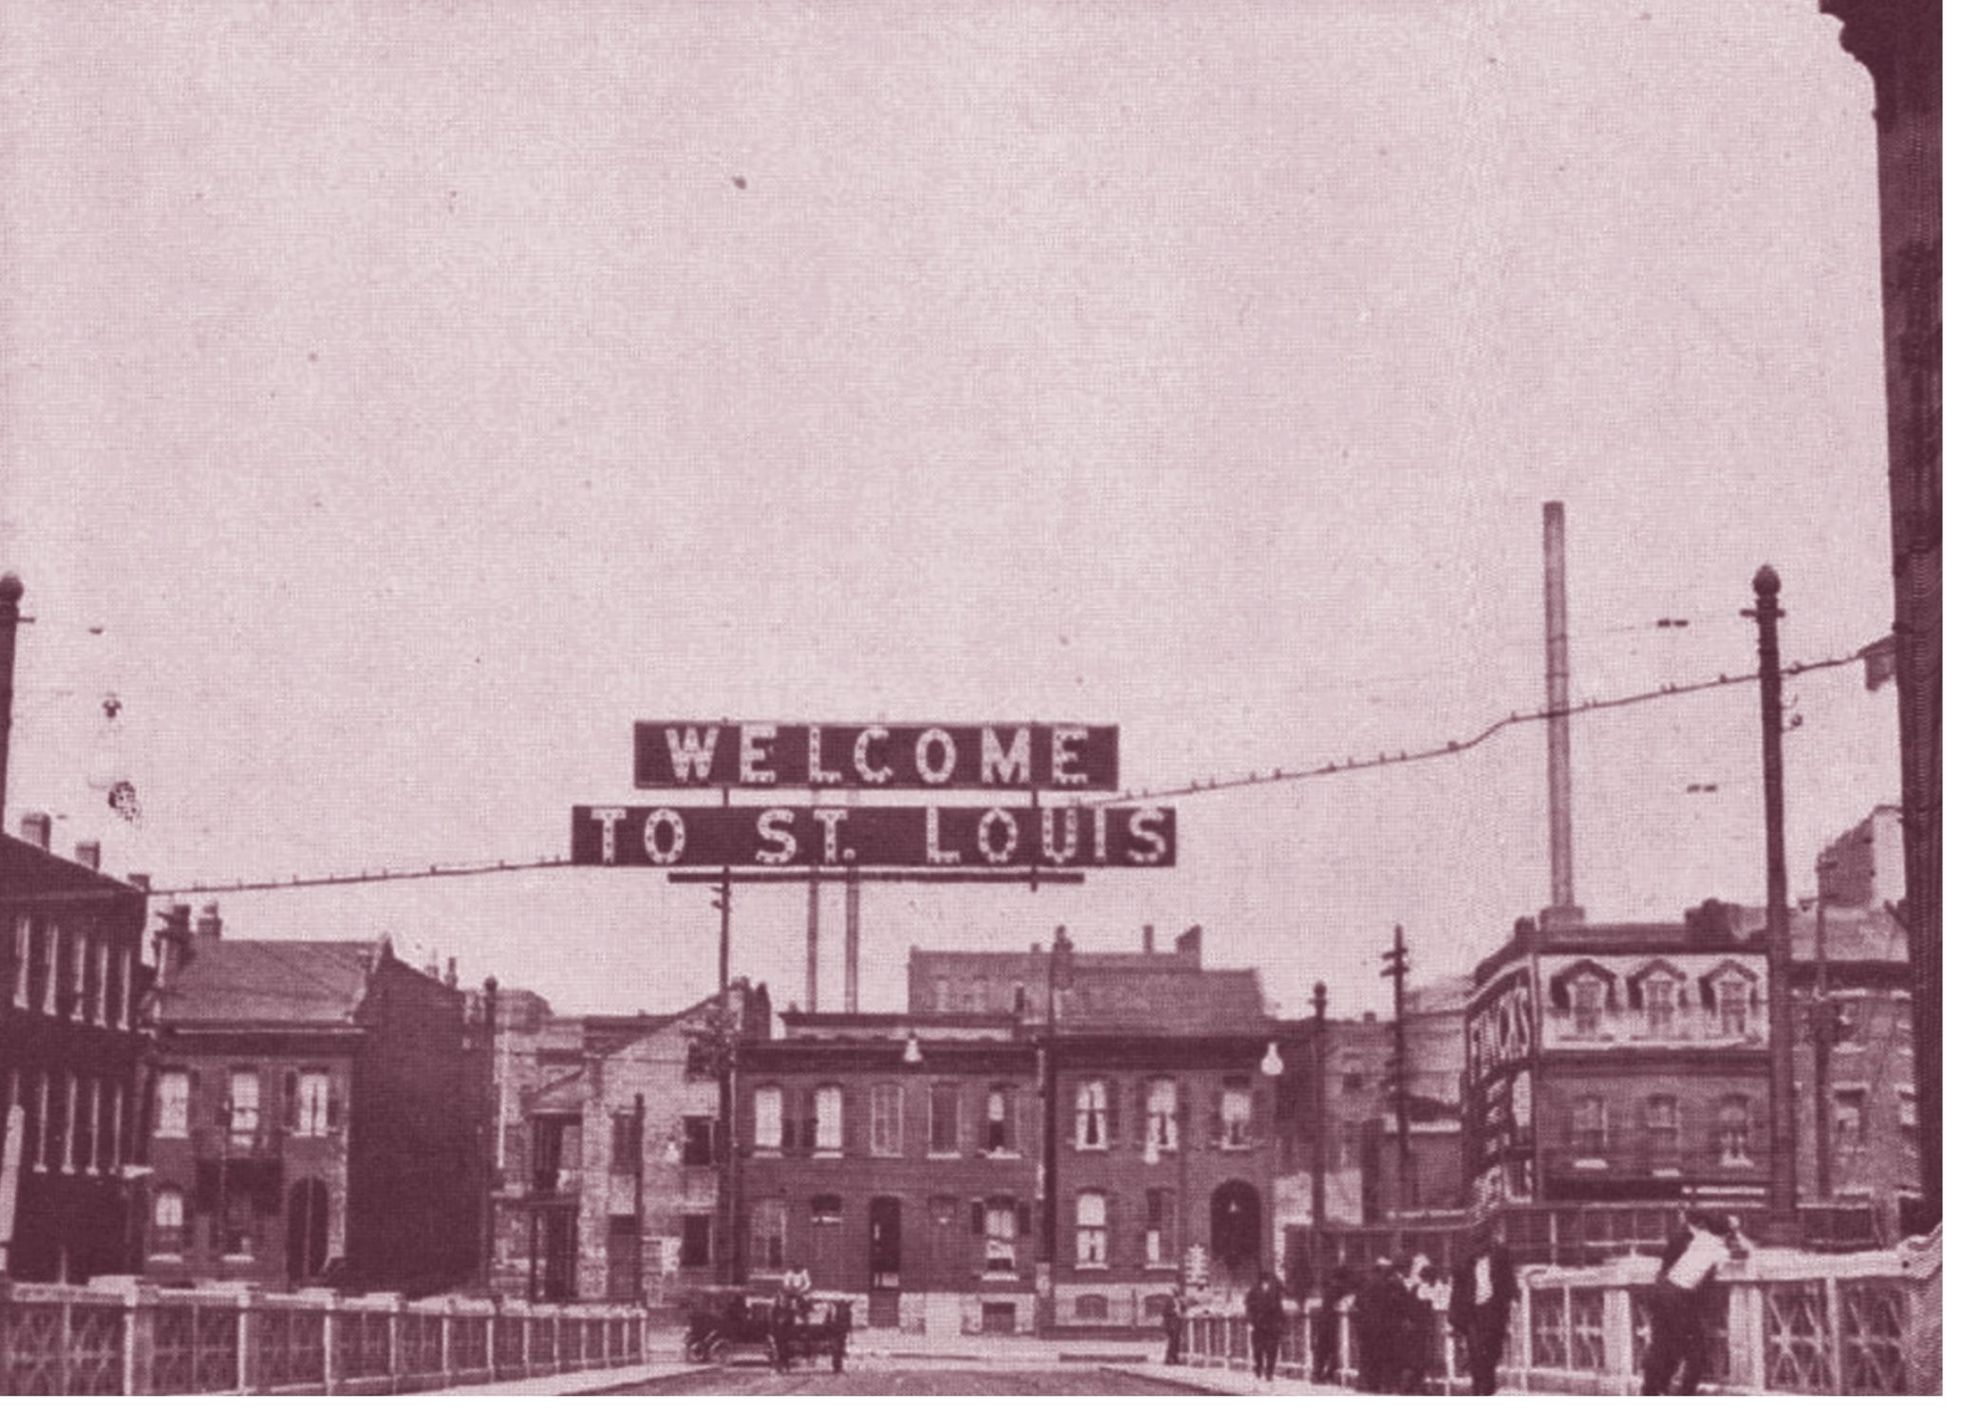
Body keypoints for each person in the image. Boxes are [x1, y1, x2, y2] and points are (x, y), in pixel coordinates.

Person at [1642, 1211, 1750, 1395]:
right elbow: (1747, 1253)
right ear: (1727, 1233)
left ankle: (1650, 1391)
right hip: (1679, 1297)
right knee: (1696, 1351)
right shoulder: (1720, 1252)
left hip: (1663, 1289)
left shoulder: (1700, 1238)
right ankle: (1685, 1394)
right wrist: (1738, 1233)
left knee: (1661, 1344)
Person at [1450, 1226, 1519, 1396]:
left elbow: (1508, 1277)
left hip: (1493, 1312)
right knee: (1476, 1354)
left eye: (1482, 1243)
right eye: (1476, 1243)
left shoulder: (1499, 1256)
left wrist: (1514, 1296)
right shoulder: (1466, 1262)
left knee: (1491, 1354)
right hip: (1473, 1313)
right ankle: (1479, 1390)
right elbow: (1457, 1288)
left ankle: (1487, 1389)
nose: (1479, 1248)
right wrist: (1456, 1319)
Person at [1353, 1256, 1399, 1392]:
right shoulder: (1387, 1284)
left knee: (1366, 1355)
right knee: (1381, 1355)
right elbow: (1393, 1305)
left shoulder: (1366, 1283)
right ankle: (1380, 1385)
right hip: (1381, 1325)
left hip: (1365, 1325)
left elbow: (1358, 1303)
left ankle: (1365, 1384)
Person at [1311, 1266, 1356, 1384]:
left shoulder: (1330, 1288)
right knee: (1334, 1350)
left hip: (1324, 1322)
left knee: (1323, 1351)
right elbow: (1345, 1303)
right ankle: (1326, 1375)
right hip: (1332, 1323)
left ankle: (1318, 1375)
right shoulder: (1338, 1289)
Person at [1245, 1270, 1287, 1382]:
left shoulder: (1275, 1292)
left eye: (1267, 1281)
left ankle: (1269, 1373)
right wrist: (1250, 1322)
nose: (1266, 1284)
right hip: (1258, 1326)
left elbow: (1279, 1308)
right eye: (1264, 1281)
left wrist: (1282, 1323)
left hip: (1272, 1326)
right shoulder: (1253, 1292)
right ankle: (1258, 1369)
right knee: (1258, 1350)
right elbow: (1249, 1309)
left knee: (1272, 1350)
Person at [1162, 1287, 1186, 1366]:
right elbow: (1164, 1312)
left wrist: (1183, 1305)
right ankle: (1168, 1359)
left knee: (1176, 1342)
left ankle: (1175, 1358)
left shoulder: (1178, 1301)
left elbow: (1183, 1309)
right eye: (1173, 1292)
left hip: (1177, 1323)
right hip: (1171, 1324)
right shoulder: (1169, 1301)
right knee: (1172, 1342)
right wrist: (1173, 1312)